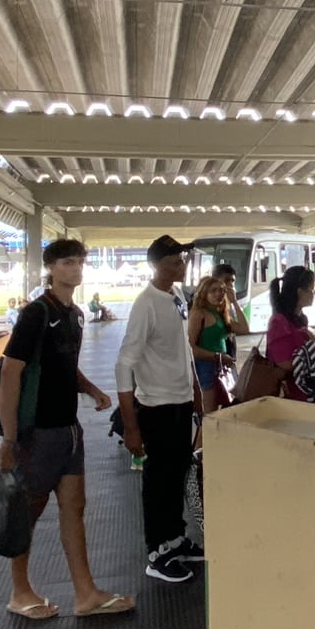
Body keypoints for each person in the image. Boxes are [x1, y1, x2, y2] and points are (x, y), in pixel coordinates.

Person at [0, 239, 132, 618]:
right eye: (68, 262)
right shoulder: (36, 314)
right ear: (51, 268)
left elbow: (63, 366)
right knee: (30, 510)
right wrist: (10, 437)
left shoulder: (74, 314)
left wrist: (90, 389)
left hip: (68, 428)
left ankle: (85, 593)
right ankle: (19, 591)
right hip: (38, 431)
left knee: (74, 508)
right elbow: (11, 372)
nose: (76, 269)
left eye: (80, 262)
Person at [117, 235, 203, 585]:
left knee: (178, 473)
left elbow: (183, 349)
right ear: (157, 265)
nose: (181, 265)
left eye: (182, 260)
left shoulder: (177, 296)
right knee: (159, 479)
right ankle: (157, 551)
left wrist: (196, 389)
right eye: (174, 261)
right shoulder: (145, 304)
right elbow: (125, 364)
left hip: (181, 403)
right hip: (157, 407)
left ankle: (175, 538)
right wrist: (131, 425)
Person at [264, 263, 315, 401]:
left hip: (303, 391)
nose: (314, 292)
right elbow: (284, 362)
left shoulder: (300, 319)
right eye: (312, 288)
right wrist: (311, 357)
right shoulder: (279, 322)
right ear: (300, 292)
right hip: (287, 394)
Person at [187, 272, 238, 414]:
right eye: (213, 291)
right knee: (209, 413)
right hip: (206, 366)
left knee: (221, 409)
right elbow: (191, 348)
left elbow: (244, 328)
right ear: (204, 293)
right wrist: (218, 357)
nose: (218, 294)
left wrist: (234, 302)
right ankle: (203, 436)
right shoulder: (198, 314)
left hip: (220, 366)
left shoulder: (220, 313)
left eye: (221, 290)